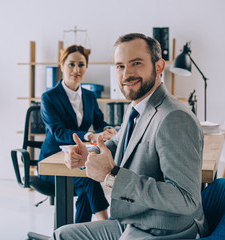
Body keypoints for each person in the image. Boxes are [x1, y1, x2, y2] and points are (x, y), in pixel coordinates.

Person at [55, 33, 209, 239]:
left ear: (159, 66)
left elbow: (186, 199)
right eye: (120, 66)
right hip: (135, 220)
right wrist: (87, 155)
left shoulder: (174, 117)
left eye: (136, 63)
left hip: (165, 230)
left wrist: (111, 176)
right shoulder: (137, 107)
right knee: (62, 235)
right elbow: (118, 143)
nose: (126, 74)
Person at [39, 45, 116, 223]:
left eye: (81, 65)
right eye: (71, 64)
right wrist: (89, 136)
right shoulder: (49, 97)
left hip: (77, 160)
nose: (76, 69)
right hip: (52, 162)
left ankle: (78, 233)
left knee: (86, 189)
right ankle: (105, 225)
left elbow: (99, 122)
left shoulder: (89, 96)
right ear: (62, 66)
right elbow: (58, 132)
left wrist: (107, 130)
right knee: (89, 179)